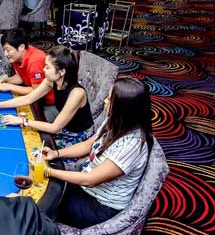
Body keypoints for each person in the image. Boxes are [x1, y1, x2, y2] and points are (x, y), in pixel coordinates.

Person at [39, 77, 152, 229]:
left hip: (99, 205)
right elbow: (89, 144)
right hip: (87, 188)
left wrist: (50, 171)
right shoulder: (115, 121)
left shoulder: (131, 145)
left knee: (41, 206)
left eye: (110, 99)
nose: (105, 101)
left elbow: (90, 179)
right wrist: (56, 153)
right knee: (45, 189)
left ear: (123, 108)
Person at [0, 45, 94, 149]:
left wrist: (22, 121)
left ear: (62, 71)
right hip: (64, 128)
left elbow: (54, 128)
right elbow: (28, 98)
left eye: (48, 67)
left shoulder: (77, 93)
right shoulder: (51, 81)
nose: (43, 70)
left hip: (79, 137)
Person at [0, 29, 57, 121]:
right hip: (35, 100)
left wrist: (10, 86)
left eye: (8, 50)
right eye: (4, 50)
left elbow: (36, 91)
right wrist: (6, 80)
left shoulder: (35, 61)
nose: (5, 54)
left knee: (24, 123)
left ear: (21, 47)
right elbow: (21, 78)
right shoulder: (17, 57)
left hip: (50, 105)